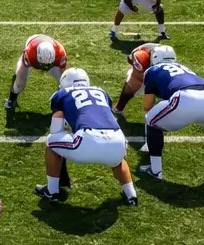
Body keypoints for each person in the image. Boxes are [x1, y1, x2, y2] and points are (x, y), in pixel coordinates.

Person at [137, 46, 204, 181]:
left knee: (151, 121)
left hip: (185, 97)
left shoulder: (152, 70)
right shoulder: (184, 68)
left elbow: (147, 105)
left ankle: (155, 170)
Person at [40, 67, 138, 206]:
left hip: (88, 140)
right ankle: (131, 194)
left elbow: (57, 122)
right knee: (117, 160)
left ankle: (52, 191)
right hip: (118, 139)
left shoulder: (61, 94)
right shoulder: (101, 92)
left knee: (51, 142)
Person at [4, 33, 68, 111]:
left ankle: (60, 102)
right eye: (43, 65)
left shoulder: (60, 52)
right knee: (19, 84)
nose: (45, 68)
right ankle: (11, 99)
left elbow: (64, 74)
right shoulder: (30, 52)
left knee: (65, 83)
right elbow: (23, 70)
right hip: (33, 52)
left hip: (52, 61)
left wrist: (63, 86)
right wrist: (19, 79)